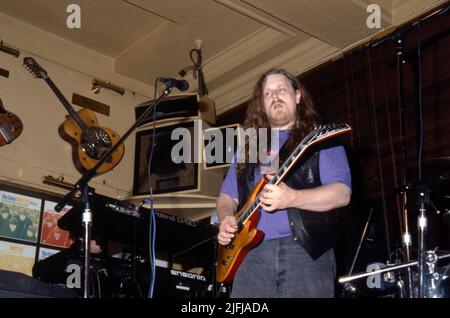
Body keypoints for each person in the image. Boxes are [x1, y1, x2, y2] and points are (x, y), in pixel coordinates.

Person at [216, 68, 352, 298]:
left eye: (281, 89)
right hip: (251, 258)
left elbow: (342, 194)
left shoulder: (319, 139)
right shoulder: (250, 147)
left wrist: (292, 198)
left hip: (306, 253)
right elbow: (227, 196)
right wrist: (226, 217)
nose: (275, 96)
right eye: (267, 93)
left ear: (298, 96)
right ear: (261, 104)